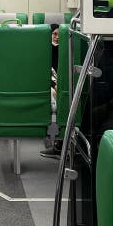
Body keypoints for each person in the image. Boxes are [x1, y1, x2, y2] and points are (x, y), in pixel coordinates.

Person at [40, 24, 63, 159]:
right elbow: (43, 71)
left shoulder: (66, 49)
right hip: (48, 83)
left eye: (60, 34)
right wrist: (54, 84)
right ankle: (53, 138)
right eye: (54, 34)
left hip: (60, 83)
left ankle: (59, 141)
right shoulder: (44, 49)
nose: (57, 37)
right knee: (53, 98)